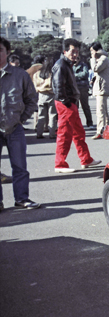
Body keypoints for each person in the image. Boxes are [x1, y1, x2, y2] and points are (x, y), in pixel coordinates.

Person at [0, 37, 40, 211]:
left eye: (0, 50)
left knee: (20, 166)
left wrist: (21, 119)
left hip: (15, 128)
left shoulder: (20, 75)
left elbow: (32, 100)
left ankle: (22, 198)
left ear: (7, 52)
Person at [51, 38, 101, 173]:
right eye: (72, 52)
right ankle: (60, 164)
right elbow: (57, 86)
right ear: (65, 51)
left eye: (77, 52)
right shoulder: (61, 65)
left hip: (69, 102)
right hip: (66, 103)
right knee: (64, 134)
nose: (75, 55)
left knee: (78, 132)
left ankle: (86, 159)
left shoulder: (66, 64)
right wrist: (66, 102)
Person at [90, 42, 109, 139]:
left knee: (100, 111)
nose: (91, 53)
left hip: (101, 88)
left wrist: (92, 59)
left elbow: (95, 69)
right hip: (100, 87)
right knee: (104, 111)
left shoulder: (103, 59)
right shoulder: (102, 59)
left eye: (91, 51)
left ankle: (100, 131)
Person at [33, 56, 57, 139]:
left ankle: (39, 133)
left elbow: (35, 85)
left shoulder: (37, 73)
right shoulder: (53, 73)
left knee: (41, 115)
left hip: (41, 95)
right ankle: (52, 134)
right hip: (51, 94)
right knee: (52, 115)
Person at [73, 55, 94, 127]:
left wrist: (75, 76)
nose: (75, 60)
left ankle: (90, 122)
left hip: (83, 87)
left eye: (77, 58)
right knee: (75, 106)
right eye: (74, 58)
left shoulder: (84, 65)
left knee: (85, 106)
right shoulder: (71, 66)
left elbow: (85, 74)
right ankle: (76, 124)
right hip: (74, 87)